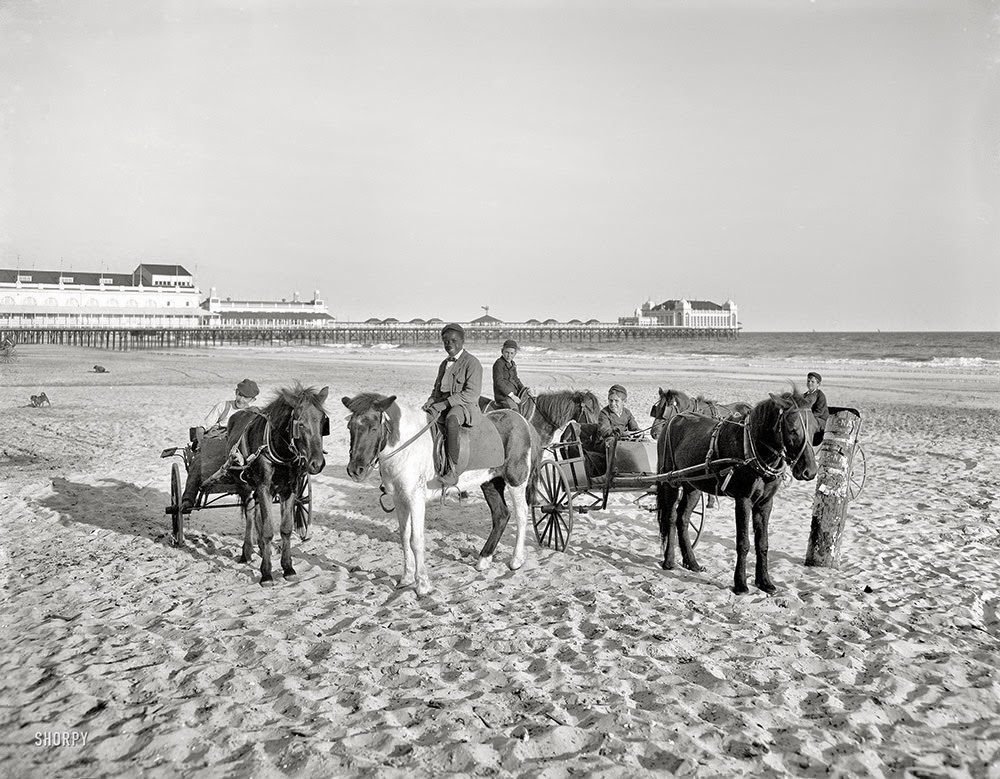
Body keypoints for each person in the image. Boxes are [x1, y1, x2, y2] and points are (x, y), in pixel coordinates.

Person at [179, 378, 260, 513]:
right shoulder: (223, 407)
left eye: (246, 397)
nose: (241, 400)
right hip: (217, 443)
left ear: (252, 400)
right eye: (239, 394)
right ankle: (188, 499)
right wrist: (201, 445)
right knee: (198, 462)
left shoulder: (254, 413)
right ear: (236, 392)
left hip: (241, 448)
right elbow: (201, 428)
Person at [422, 324, 483, 486]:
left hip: (464, 405)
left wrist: (445, 404)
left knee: (451, 420)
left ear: (462, 341)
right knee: (424, 418)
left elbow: (471, 393)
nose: (449, 344)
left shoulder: (472, 363)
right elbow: (437, 389)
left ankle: (452, 469)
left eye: (454, 341)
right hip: (443, 401)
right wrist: (431, 401)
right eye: (446, 341)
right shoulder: (444, 364)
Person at [492, 339, 534, 410]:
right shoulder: (499, 363)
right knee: (514, 410)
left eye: (512, 353)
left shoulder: (513, 364)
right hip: (503, 396)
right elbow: (498, 382)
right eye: (507, 352)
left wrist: (524, 389)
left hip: (514, 393)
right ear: (502, 351)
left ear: (515, 353)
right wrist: (511, 395)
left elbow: (515, 378)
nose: (509, 355)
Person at [804, 371, 829, 445]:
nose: (809, 383)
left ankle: (807, 443)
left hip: (821, 420)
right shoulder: (804, 395)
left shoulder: (820, 395)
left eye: (812, 382)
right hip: (810, 418)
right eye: (808, 381)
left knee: (807, 424)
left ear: (818, 384)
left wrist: (807, 417)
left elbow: (819, 412)